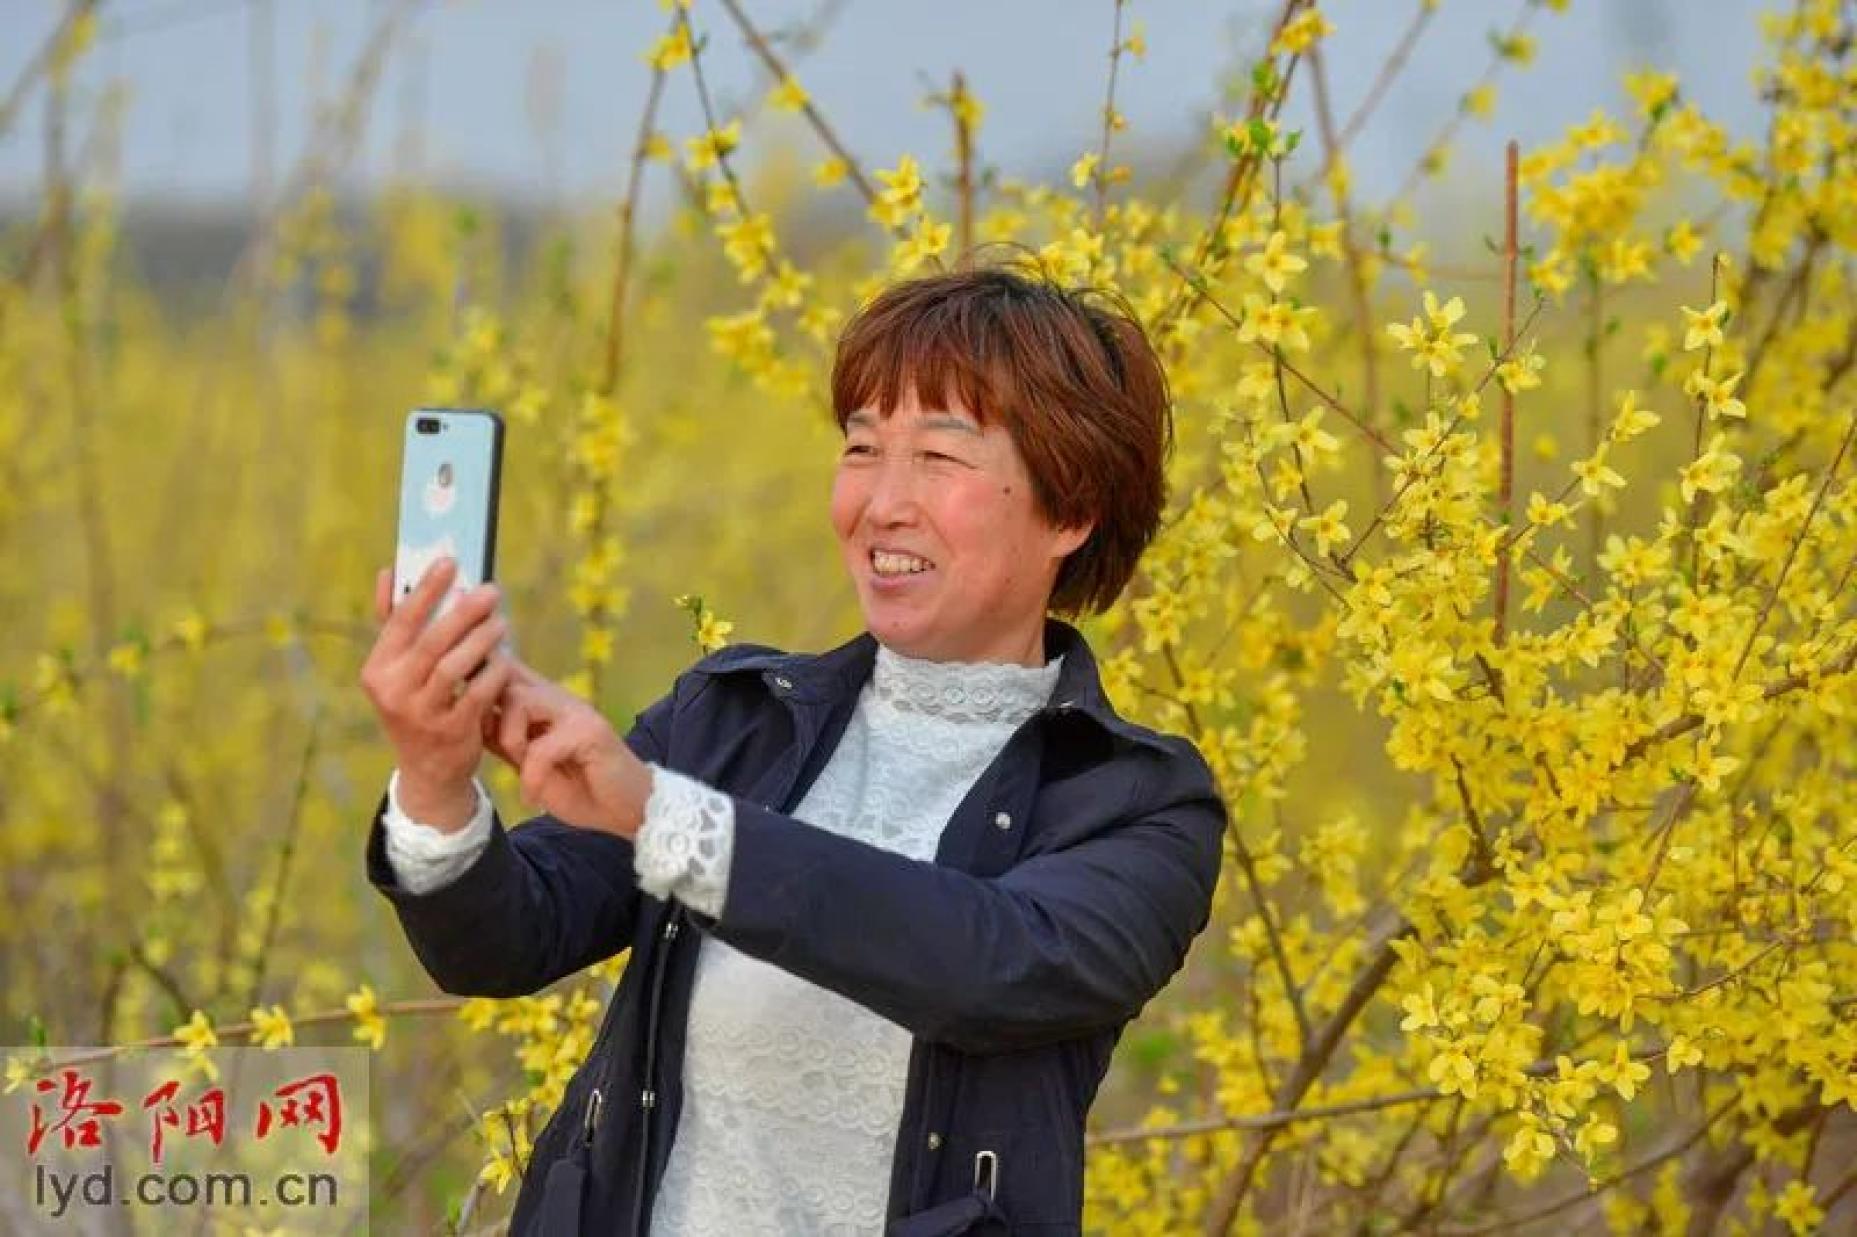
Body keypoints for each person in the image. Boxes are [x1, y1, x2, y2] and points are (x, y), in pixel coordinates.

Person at [358, 264, 1228, 1236]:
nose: (881, 502)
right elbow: (510, 938)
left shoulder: (1137, 803)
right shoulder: (733, 718)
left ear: (1070, 511)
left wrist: (664, 818)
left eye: (938, 459)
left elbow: (990, 964)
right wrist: (436, 777)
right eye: (862, 448)